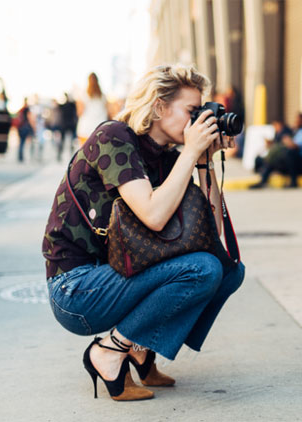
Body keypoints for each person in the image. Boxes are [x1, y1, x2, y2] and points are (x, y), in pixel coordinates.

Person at [42, 64, 245, 402]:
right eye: (192, 112)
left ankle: (140, 348)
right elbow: (153, 215)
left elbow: (212, 233)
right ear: (159, 106)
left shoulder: (167, 159)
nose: (199, 122)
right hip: (76, 287)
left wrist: (204, 161)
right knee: (202, 269)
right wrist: (192, 152)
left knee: (226, 269)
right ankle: (110, 351)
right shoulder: (114, 137)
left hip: (119, 271)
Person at [250, 112, 302, 188]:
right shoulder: (298, 132)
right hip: (298, 162)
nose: (296, 122)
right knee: (276, 158)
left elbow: (295, 146)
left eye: (298, 121)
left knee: (290, 153)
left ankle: (293, 182)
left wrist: (287, 140)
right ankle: (263, 180)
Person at [76, 72, 109, 145]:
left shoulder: (83, 95)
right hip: (100, 128)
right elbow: (108, 111)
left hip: (85, 128)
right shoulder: (103, 96)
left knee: (84, 154)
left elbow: (80, 112)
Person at [58, 93, 78, 161]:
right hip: (70, 124)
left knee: (63, 141)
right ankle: (70, 155)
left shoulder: (63, 105)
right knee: (71, 140)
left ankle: (60, 155)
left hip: (65, 124)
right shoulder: (72, 105)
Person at [16, 97, 35, 162]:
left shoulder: (21, 109)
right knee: (24, 142)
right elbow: (29, 118)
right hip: (25, 127)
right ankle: (22, 157)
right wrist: (33, 127)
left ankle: (20, 157)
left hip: (20, 127)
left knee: (21, 142)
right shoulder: (27, 109)